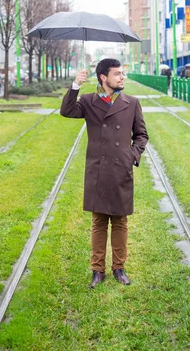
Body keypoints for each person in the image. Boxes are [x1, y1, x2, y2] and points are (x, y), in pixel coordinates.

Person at [60, 58, 148, 289]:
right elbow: (67, 111)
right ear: (103, 77)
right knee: (99, 222)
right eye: (117, 74)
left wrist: (132, 155)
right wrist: (75, 86)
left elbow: (141, 135)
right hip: (98, 170)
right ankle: (97, 270)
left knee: (120, 221)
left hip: (120, 169)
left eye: (122, 73)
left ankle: (119, 268)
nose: (122, 77)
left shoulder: (131, 102)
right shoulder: (89, 101)